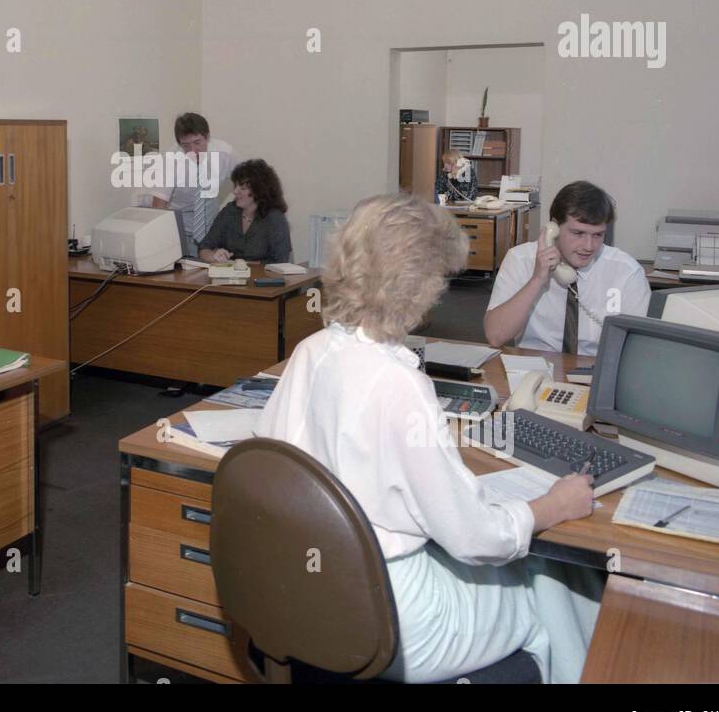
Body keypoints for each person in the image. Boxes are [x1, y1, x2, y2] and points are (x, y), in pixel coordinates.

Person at [253, 194, 600, 683]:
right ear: (418, 285)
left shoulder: (311, 351)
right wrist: (552, 506)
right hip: (397, 619)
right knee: (545, 588)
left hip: (316, 593)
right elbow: (474, 538)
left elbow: (277, 465)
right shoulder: (398, 383)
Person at [484, 181, 650, 355]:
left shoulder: (627, 272)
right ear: (553, 228)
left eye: (598, 235)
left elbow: (637, 351)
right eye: (578, 233)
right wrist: (537, 279)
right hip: (536, 371)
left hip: (596, 372)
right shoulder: (520, 259)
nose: (588, 246)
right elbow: (495, 336)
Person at [150, 112, 238, 257]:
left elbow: (250, 181)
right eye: (186, 146)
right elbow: (158, 207)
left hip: (213, 233)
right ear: (179, 144)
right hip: (181, 232)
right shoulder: (170, 161)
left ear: (207, 137)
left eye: (197, 143)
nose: (192, 151)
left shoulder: (224, 153)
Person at [198, 158, 292, 264]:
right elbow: (203, 248)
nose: (235, 191)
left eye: (242, 188)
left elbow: (281, 261)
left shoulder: (274, 218)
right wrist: (213, 256)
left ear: (259, 191)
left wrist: (241, 264)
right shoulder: (229, 212)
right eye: (236, 186)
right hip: (230, 279)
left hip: (264, 278)